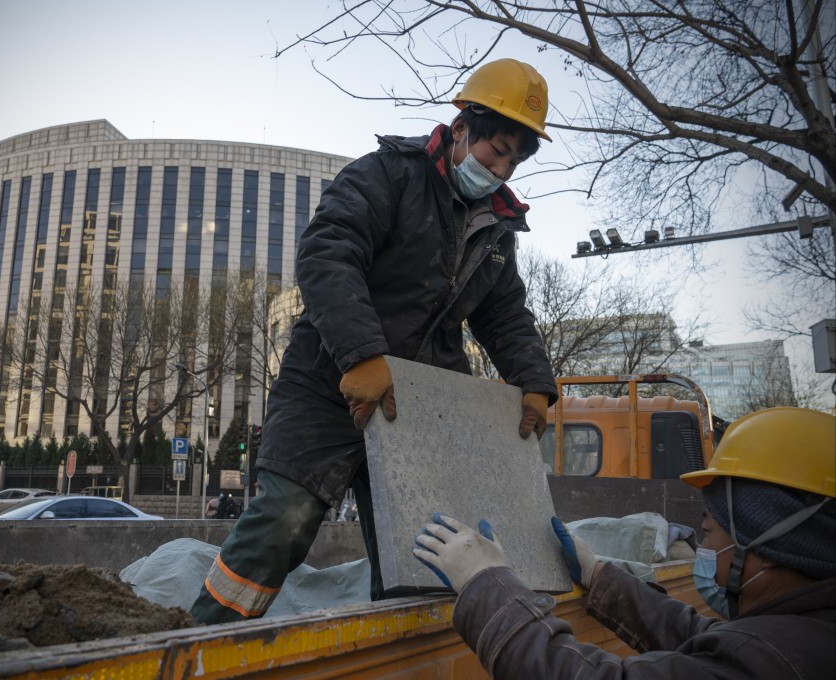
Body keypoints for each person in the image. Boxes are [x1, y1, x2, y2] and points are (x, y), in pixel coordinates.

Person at [189, 58, 558, 623]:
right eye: (496, 149)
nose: (501, 168)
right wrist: (361, 356)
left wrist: (534, 382)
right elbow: (328, 252)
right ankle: (201, 641)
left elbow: (505, 314)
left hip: (415, 403)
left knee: (423, 551)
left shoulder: (497, 230)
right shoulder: (388, 175)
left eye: (513, 159)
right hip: (329, 381)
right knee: (284, 520)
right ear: (462, 128)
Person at [413, 407, 836, 678]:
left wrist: (486, 584)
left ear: (770, 550)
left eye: (708, 534)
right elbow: (696, 637)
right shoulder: (803, 634)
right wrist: (600, 577)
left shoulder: (777, 661)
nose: (704, 552)